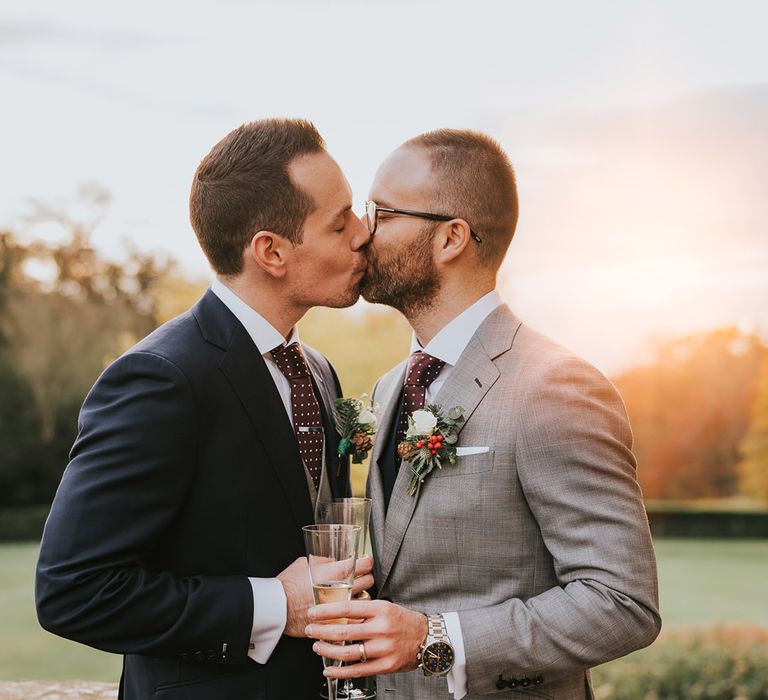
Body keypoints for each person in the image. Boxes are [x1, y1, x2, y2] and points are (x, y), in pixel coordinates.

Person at [306, 129, 661, 699]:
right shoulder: (390, 386)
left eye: (382, 212)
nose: (362, 231)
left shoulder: (555, 387)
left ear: (451, 238)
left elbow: (622, 603)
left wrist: (434, 638)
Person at [35, 118, 374, 700]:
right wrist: (275, 605)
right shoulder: (161, 379)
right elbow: (75, 590)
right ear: (270, 251)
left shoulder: (315, 369)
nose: (364, 233)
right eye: (340, 222)